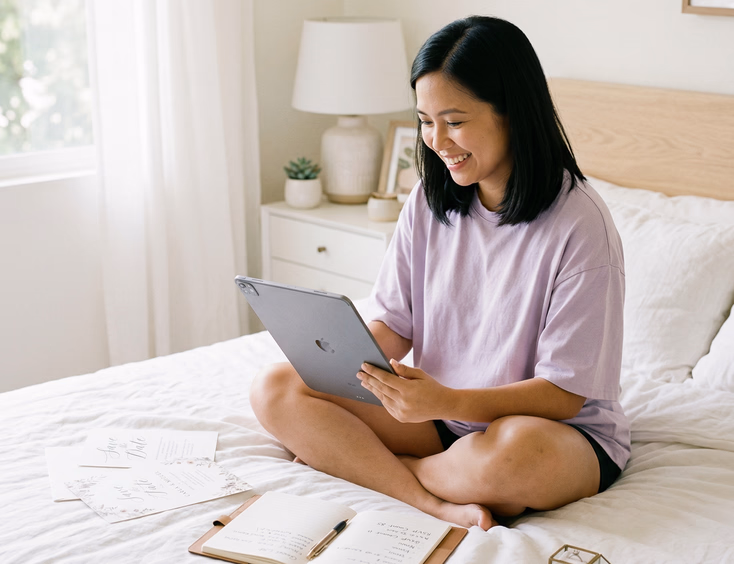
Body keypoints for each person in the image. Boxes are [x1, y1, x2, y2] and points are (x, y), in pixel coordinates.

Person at [250, 15, 630, 531]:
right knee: (276, 388)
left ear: (512, 113)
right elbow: (396, 326)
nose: (437, 140)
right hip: (438, 417)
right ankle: (429, 496)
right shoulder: (430, 200)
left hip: (544, 428)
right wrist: (331, 357)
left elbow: (563, 394)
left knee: (514, 459)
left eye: (454, 121)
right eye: (426, 121)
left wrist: (444, 399)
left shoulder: (581, 225)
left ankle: (380, 467)